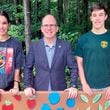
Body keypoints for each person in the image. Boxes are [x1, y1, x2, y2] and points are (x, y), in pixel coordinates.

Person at [24, 14, 78, 98]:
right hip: (38, 93)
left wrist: (73, 86)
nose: (49, 28)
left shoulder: (66, 46)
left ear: (57, 28)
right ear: (41, 29)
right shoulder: (34, 46)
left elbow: (73, 67)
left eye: (52, 25)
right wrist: (28, 86)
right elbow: (28, 68)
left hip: (60, 94)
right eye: (46, 25)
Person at [75, 3, 110, 100]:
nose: (97, 18)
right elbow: (79, 64)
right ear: (90, 18)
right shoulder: (83, 39)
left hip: (108, 89)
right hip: (88, 89)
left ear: (106, 17)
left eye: (101, 15)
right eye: (94, 15)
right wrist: (84, 84)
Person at [0, 10, 23, 95]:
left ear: (9, 25)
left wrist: (16, 86)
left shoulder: (16, 43)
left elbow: (18, 66)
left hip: (12, 89)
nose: (1, 26)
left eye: (4, 23)